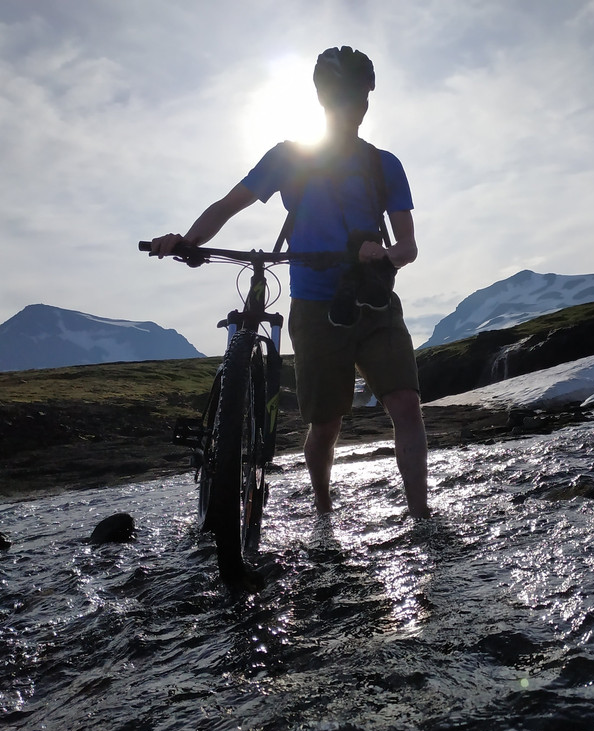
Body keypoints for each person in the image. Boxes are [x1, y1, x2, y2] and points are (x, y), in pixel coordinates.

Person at [150, 46, 429, 519]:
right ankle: (324, 514)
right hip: (316, 308)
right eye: (342, 95)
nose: (352, 106)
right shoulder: (288, 158)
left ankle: (422, 518)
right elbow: (226, 205)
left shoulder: (384, 165)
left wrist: (383, 255)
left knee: (405, 405)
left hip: (375, 302)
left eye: (357, 96)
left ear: (366, 100)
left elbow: (408, 246)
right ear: (323, 99)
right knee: (325, 424)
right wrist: (189, 241)